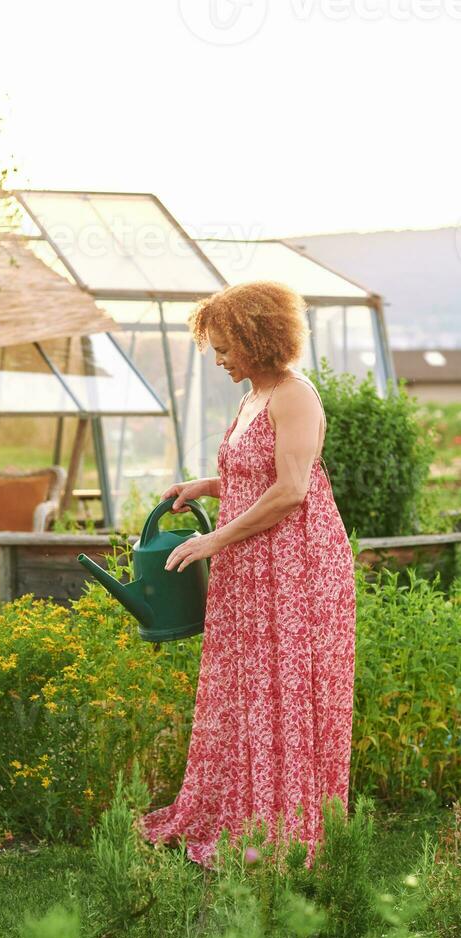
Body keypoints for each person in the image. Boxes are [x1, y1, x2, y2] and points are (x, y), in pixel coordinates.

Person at [136, 281, 357, 870]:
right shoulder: (254, 396)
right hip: (252, 564)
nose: (218, 357)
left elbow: (291, 491)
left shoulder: (295, 395)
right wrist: (204, 487)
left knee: (282, 692)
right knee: (247, 691)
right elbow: (254, 473)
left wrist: (213, 539)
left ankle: (284, 831)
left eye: (226, 344)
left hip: (296, 568)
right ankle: (236, 814)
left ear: (259, 338)